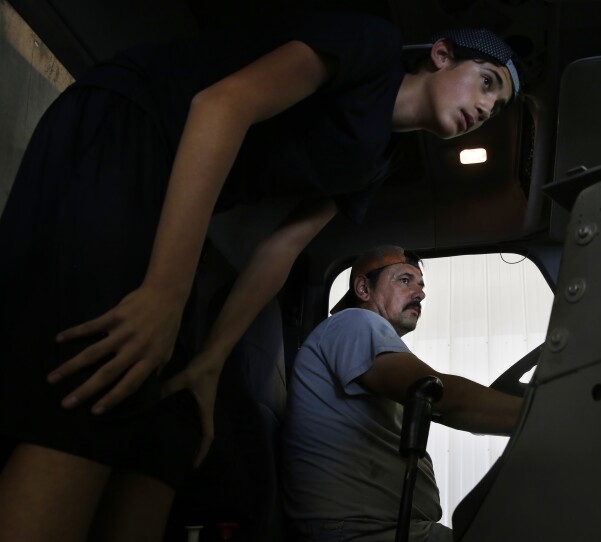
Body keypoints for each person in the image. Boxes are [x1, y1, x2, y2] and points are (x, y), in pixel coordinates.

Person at [0, 5, 522, 541]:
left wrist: (209, 362)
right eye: (486, 82)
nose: (485, 107)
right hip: (128, 125)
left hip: (162, 183)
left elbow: (282, 247)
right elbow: (220, 106)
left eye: (497, 106)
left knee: (170, 427)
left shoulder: (378, 160)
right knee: (107, 377)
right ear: (440, 55)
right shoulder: (372, 46)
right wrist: (165, 293)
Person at [283, 245, 523, 541]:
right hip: (360, 531)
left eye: (421, 285)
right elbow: (431, 393)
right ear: (363, 288)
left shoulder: (360, 337)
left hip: (379, 528)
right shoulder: (356, 323)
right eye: (405, 280)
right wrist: (544, 415)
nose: (420, 293)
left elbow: (442, 405)